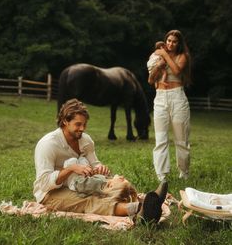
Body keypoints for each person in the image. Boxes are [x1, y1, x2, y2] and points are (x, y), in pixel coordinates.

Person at [33, 98, 168, 224]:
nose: (82, 129)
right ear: (65, 121)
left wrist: (101, 169)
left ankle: (150, 201)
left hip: (84, 183)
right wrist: (70, 169)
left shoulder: (85, 140)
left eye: (84, 124)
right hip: (50, 194)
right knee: (88, 200)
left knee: (118, 183)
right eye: (78, 124)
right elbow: (44, 183)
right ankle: (139, 210)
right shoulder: (48, 144)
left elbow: (96, 164)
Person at [148, 30, 191, 181]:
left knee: (181, 139)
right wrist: (158, 66)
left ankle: (184, 173)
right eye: (168, 40)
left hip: (177, 98)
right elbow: (150, 80)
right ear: (165, 41)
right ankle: (161, 174)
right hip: (160, 98)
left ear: (179, 43)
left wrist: (165, 55)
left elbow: (177, 71)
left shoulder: (182, 56)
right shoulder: (157, 57)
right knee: (160, 139)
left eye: (174, 41)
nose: (170, 44)